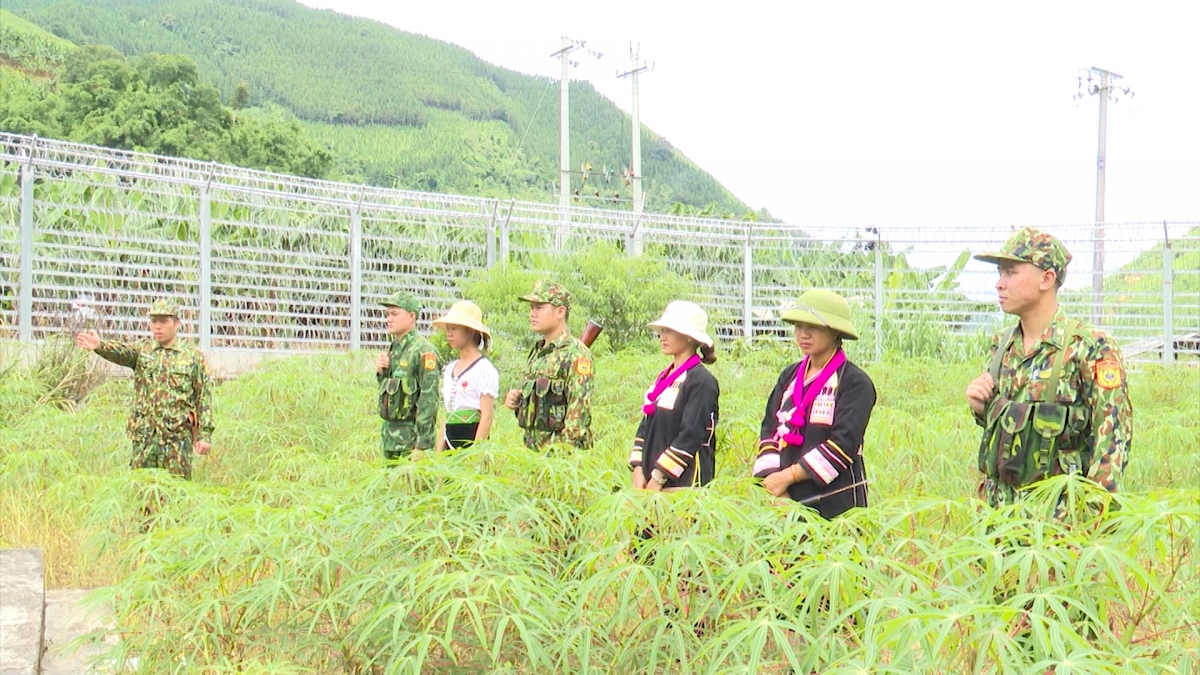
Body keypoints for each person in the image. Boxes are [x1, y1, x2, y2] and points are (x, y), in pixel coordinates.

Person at [966, 227, 1133, 508]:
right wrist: (981, 407)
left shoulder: (1089, 347)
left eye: (1011, 272)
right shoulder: (1003, 345)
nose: (999, 284)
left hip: (1059, 522)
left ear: (1046, 279)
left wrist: (1093, 515)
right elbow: (1009, 428)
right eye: (1000, 273)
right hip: (1000, 518)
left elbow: (1112, 438)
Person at [753, 289, 876, 519]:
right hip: (781, 499)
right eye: (798, 326)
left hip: (835, 504)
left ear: (835, 331)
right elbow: (769, 430)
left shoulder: (855, 382)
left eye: (813, 327)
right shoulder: (789, 376)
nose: (803, 334)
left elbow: (843, 444)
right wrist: (774, 485)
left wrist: (789, 476)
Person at [74, 298, 213, 479]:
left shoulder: (192, 357)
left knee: (176, 492)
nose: (158, 327)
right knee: (143, 492)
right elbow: (122, 352)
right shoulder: (142, 351)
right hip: (145, 439)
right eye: (154, 321)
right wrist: (100, 346)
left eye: (163, 321)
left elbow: (204, 397)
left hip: (176, 441)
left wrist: (204, 435)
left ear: (177, 323)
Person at [629, 300, 720, 492]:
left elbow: (691, 434)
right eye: (661, 331)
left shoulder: (701, 381)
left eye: (669, 331)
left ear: (688, 336)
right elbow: (646, 424)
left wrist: (659, 477)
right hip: (649, 482)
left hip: (683, 485)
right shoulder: (665, 377)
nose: (662, 337)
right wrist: (638, 469)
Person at [503, 280, 594, 451]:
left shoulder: (576, 354)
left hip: (561, 460)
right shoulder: (537, 352)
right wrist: (517, 401)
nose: (533, 314)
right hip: (532, 454)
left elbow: (578, 418)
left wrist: (560, 458)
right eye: (531, 308)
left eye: (539, 307)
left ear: (560, 312)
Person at [375, 291, 440, 460]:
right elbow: (391, 396)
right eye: (387, 314)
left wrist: (422, 445)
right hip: (390, 440)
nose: (388, 319)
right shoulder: (394, 349)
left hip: (411, 442)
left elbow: (429, 399)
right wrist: (381, 373)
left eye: (395, 314)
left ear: (411, 316)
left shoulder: (423, 351)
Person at [432, 300, 499, 451]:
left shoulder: (483, 369)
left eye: (454, 329)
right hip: (449, 440)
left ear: (470, 331)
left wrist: (474, 454)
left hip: (471, 439)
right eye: (448, 329)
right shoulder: (449, 369)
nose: (449, 334)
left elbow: (487, 416)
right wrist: (438, 451)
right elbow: (447, 412)